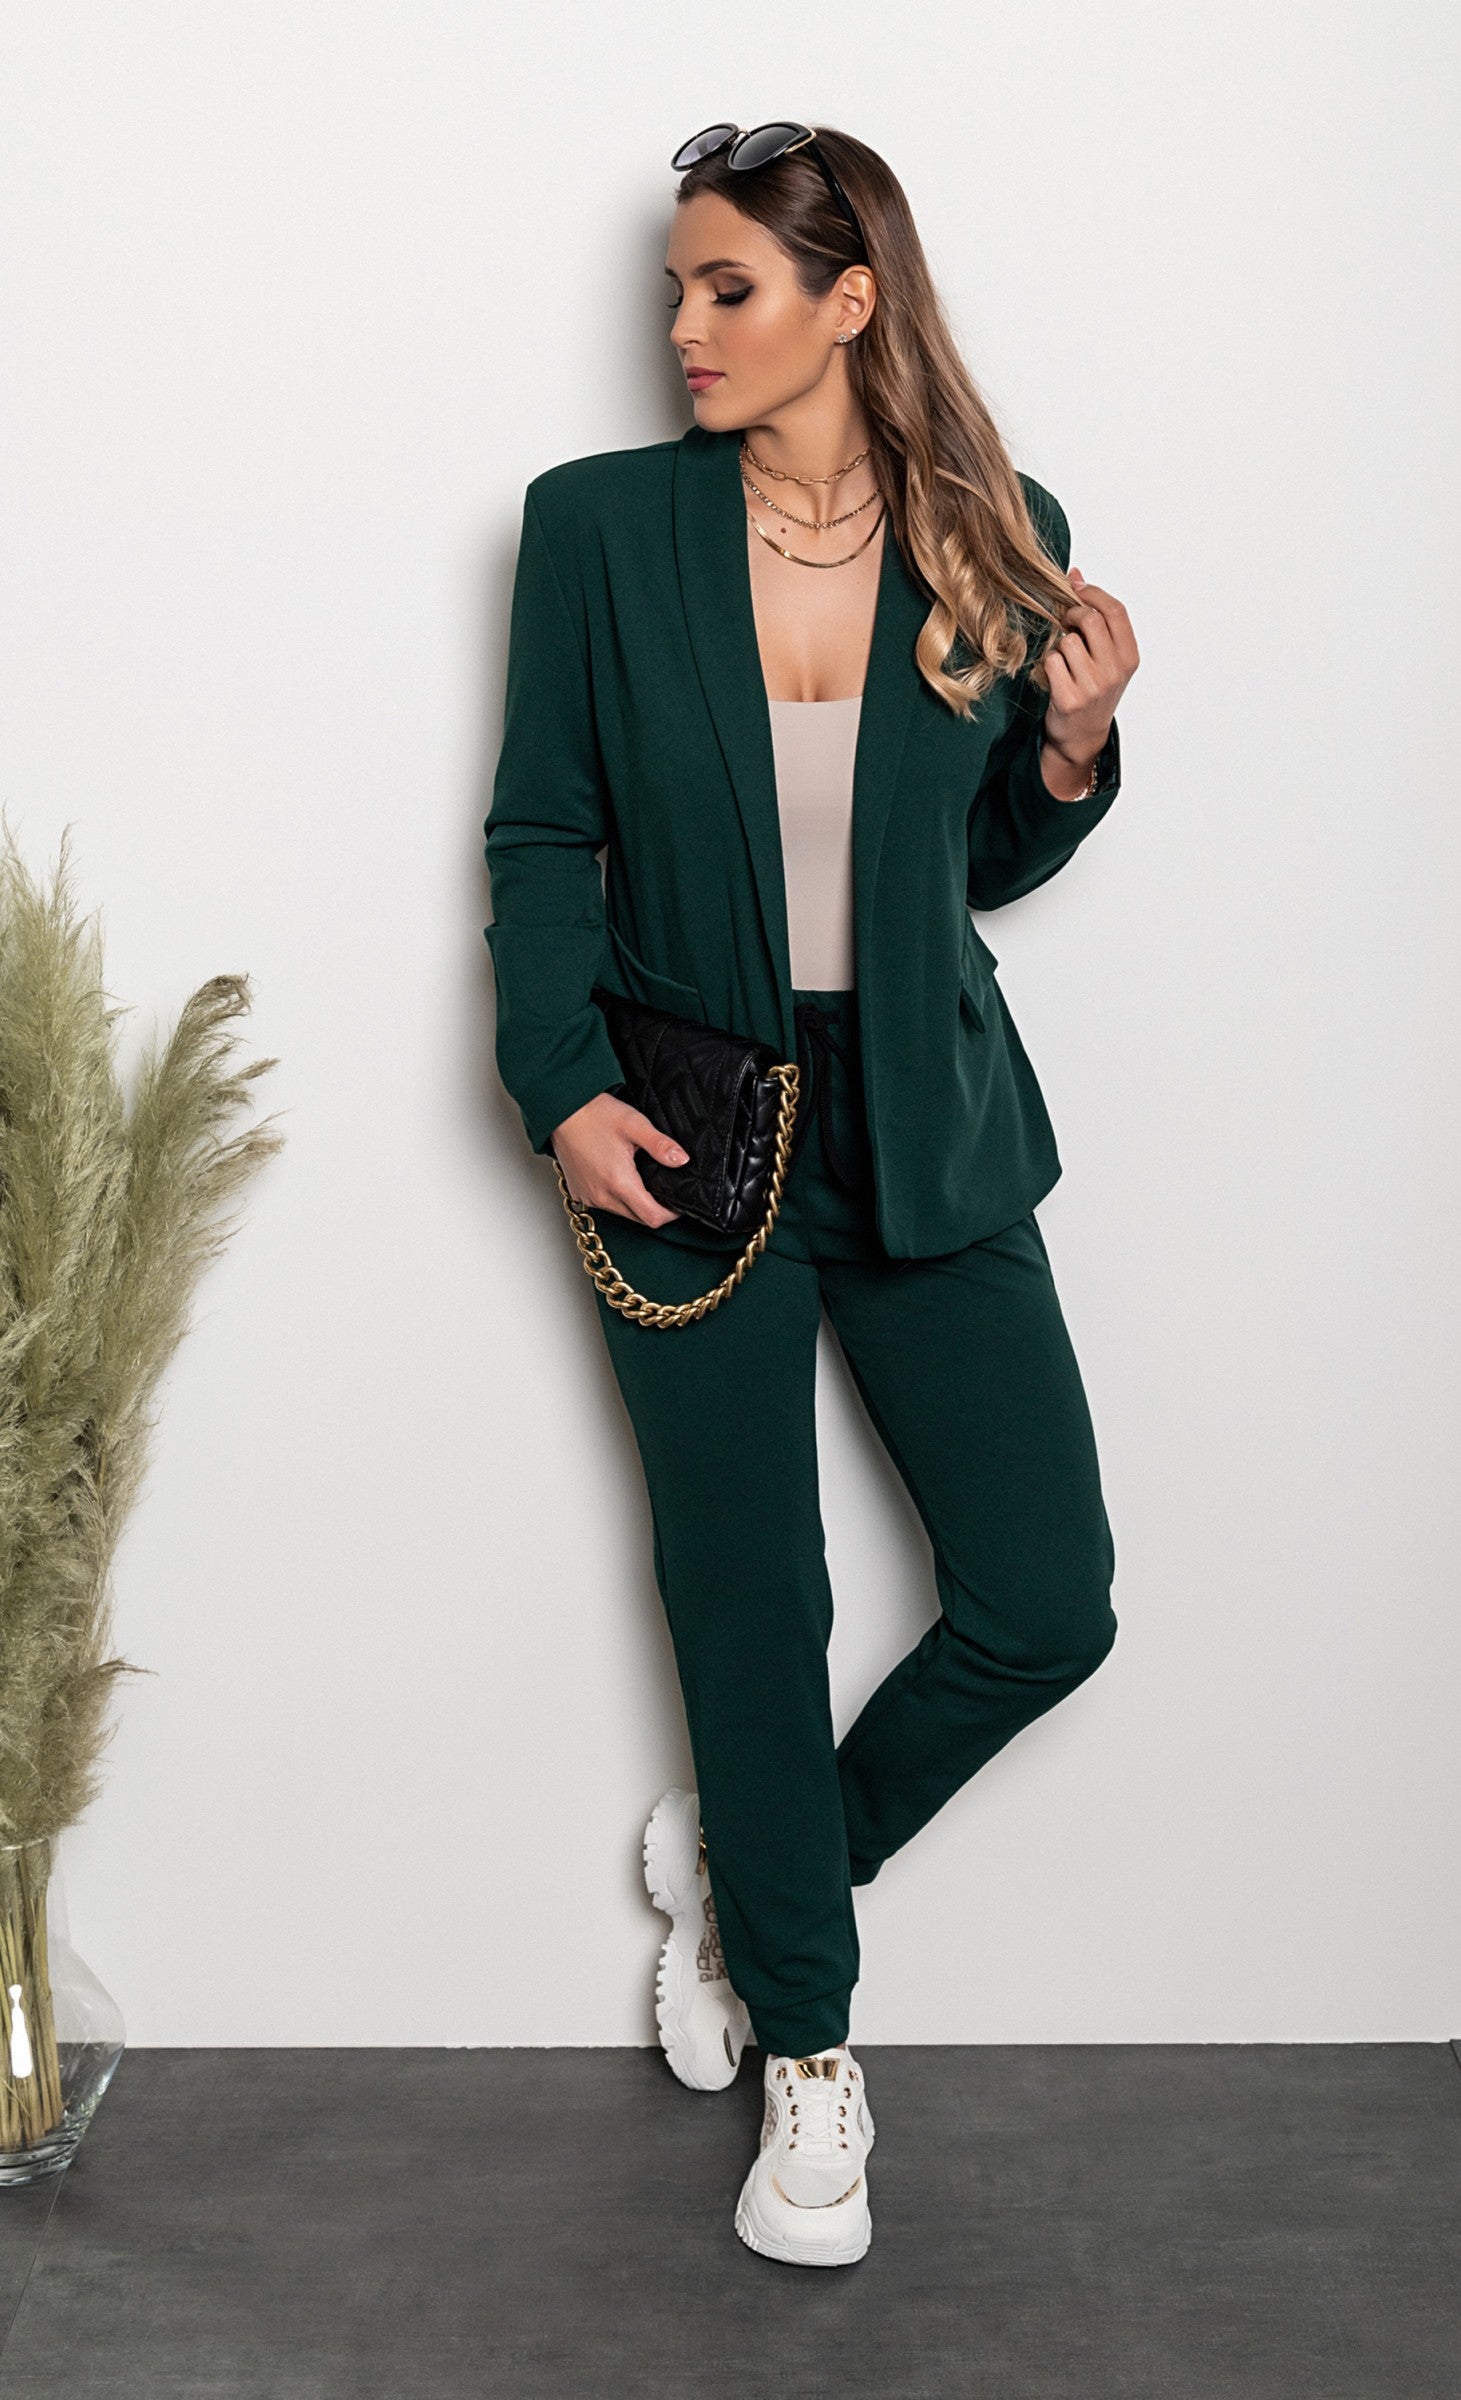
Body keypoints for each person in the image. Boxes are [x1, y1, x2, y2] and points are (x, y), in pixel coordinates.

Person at [482, 121, 1140, 2269]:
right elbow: (539, 836)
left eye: (726, 288)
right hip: (684, 1122)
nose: (683, 328)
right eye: (675, 290)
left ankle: (770, 1876)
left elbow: (973, 864)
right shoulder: (597, 530)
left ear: (849, 302)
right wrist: (561, 1087)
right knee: (749, 1592)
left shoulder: (997, 531)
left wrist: (1069, 751)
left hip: (925, 1116)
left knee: (1046, 1598)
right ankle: (810, 2054)